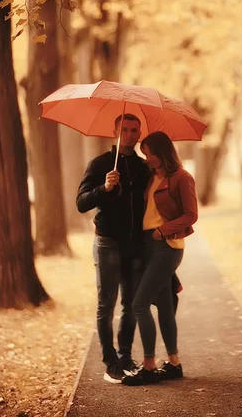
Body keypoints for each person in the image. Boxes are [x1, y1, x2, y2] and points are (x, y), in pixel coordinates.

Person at [76, 113, 151, 384]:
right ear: (116, 132)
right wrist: (104, 188)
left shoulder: (144, 169)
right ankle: (110, 362)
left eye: (135, 130)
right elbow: (81, 202)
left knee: (131, 305)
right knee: (106, 305)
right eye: (126, 130)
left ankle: (126, 356)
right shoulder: (100, 164)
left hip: (135, 246)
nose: (131, 134)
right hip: (107, 244)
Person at [122, 131, 198, 386]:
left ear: (162, 153)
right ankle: (174, 364)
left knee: (139, 304)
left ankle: (149, 366)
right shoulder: (151, 177)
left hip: (166, 246)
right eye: (144, 153)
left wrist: (161, 231)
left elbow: (190, 215)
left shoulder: (182, 178)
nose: (146, 158)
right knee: (164, 305)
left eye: (149, 153)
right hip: (147, 245)